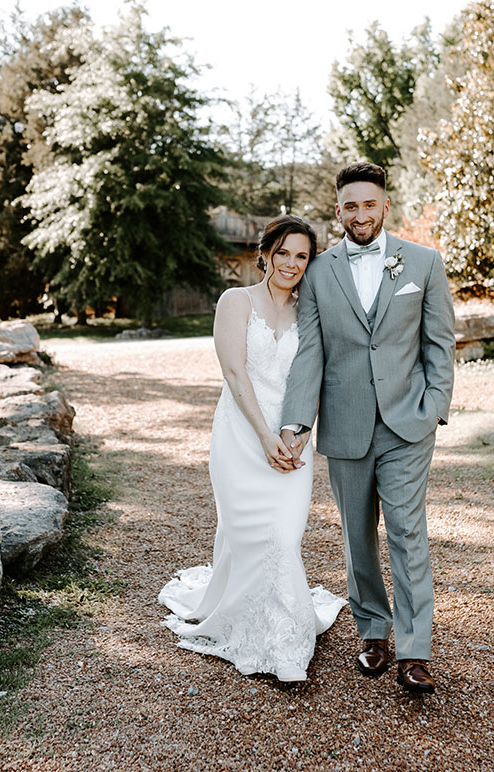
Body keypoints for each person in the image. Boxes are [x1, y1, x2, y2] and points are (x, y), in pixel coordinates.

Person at [280, 162, 455, 694]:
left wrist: (435, 405)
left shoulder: (423, 262)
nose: (361, 214)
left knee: (407, 533)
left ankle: (415, 650)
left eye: (369, 204)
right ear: (339, 211)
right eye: (350, 206)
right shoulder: (319, 272)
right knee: (358, 537)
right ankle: (372, 631)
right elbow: (311, 351)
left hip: (408, 424)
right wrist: (295, 421)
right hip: (347, 424)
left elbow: (440, 341)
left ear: (384, 205)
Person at [158, 215, 347, 682]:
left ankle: (284, 635)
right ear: (264, 252)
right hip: (242, 436)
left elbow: (318, 375)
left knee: (283, 538)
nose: (291, 263)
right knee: (246, 536)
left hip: (290, 439)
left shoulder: (312, 310)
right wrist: (264, 436)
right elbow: (234, 372)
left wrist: (298, 432)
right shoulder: (236, 300)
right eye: (282, 252)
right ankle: (243, 620)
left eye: (301, 255)